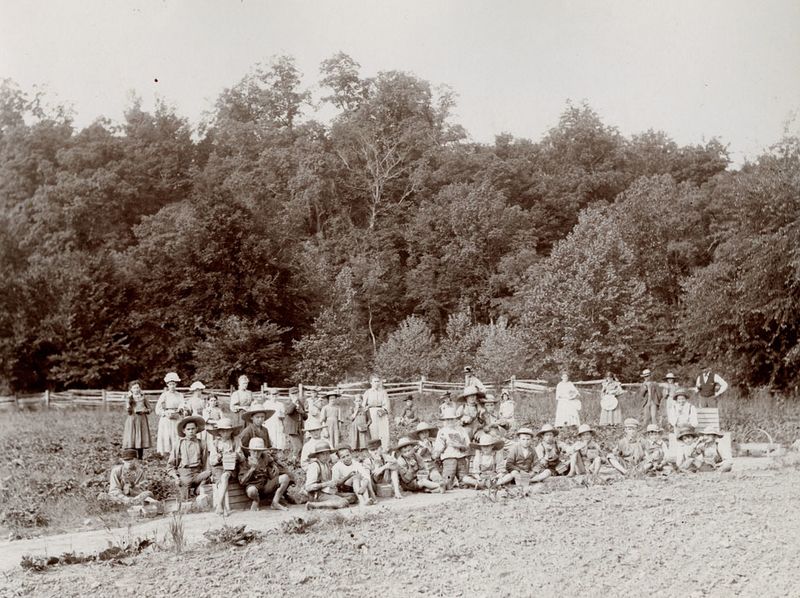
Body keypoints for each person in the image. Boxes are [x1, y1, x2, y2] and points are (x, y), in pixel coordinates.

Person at [238, 437, 291, 511]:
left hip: (266, 485)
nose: (256, 454)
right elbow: (242, 481)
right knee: (251, 490)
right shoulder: (245, 462)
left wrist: (273, 465)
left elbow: (271, 460)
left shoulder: (264, 457)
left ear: (262, 451)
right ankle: (256, 500)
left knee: (285, 478)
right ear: (250, 451)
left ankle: (275, 502)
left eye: (259, 451)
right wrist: (252, 469)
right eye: (254, 451)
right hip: (254, 487)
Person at [168, 415, 211, 500]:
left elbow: (206, 462)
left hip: (198, 474)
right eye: (188, 429)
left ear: (197, 429)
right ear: (184, 431)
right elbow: (170, 465)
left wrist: (205, 478)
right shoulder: (179, 444)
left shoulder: (202, 443)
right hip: (184, 474)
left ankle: (198, 490)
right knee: (185, 500)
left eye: (193, 429)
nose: (191, 431)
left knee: (210, 473)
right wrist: (176, 477)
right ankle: (187, 493)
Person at [497, 428, 551, 493]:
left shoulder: (532, 450)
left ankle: (530, 481)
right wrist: (519, 471)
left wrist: (533, 472)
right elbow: (509, 464)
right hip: (518, 473)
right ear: (519, 440)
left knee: (548, 472)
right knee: (514, 473)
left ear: (531, 440)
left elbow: (537, 463)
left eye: (528, 439)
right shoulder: (515, 449)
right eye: (523, 439)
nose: (526, 441)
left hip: (528, 474)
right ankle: (523, 483)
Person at [206, 417, 241, 516]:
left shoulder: (236, 441)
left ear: (231, 431)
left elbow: (241, 457)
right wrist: (218, 457)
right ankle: (224, 507)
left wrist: (235, 455)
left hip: (231, 467)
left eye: (228, 431)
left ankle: (219, 505)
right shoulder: (215, 443)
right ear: (219, 432)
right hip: (219, 467)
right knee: (222, 479)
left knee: (225, 477)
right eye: (223, 431)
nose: (226, 433)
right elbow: (212, 461)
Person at [304, 441, 352, 510]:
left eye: (327, 454)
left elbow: (329, 482)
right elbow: (308, 487)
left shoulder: (326, 464)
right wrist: (326, 484)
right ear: (317, 455)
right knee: (343, 502)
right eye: (323, 454)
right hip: (318, 495)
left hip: (328, 492)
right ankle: (313, 505)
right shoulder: (314, 466)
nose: (326, 456)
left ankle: (331, 502)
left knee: (353, 497)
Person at [432, 407, 472, 490]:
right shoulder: (442, 431)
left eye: (452, 419)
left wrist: (461, 446)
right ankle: (444, 484)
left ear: (456, 419)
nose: (450, 421)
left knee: (465, 482)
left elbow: (468, 445)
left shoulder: (462, 430)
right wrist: (438, 452)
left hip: (461, 457)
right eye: (447, 420)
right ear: (445, 421)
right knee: (448, 480)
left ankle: (471, 483)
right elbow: (439, 447)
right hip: (449, 458)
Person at [155, 372, 185, 457]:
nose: (172, 386)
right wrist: (164, 413)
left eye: (174, 384)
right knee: (167, 434)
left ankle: (177, 452)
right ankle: (167, 453)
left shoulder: (179, 395)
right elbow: (158, 408)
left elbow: (183, 404)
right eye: (170, 384)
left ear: (176, 384)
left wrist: (180, 408)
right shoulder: (165, 395)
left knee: (177, 433)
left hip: (177, 416)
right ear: (167, 385)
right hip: (167, 417)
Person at [123, 380, 151, 459]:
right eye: (134, 388)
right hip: (132, 419)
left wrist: (144, 411)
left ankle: (140, 457)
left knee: (141, 436)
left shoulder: (143, 397)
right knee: (133, 436)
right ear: (131, 389)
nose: (136, 389)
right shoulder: (129, 398)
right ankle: (132, 456)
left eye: (138, 387)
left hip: (142, 419)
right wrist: (128, 402)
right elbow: (128, 411)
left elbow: (150, 409)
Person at [363, 374, 391, 449]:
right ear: (371, 382)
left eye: (378, 381)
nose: (377, 383)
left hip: (381, 412)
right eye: (375, 381)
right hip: (371, 412)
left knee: (384, 431)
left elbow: (387, 403)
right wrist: (366, 411)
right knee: (373, 430)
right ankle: (375, 447)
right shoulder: (367, 392)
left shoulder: (383, 392)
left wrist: (384, 410)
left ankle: (385, 447)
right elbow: (363, 405)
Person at [283, 391, 307, 462]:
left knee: (301, 448)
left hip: (300, 428)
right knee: (297, 447)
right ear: (289, 394)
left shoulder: (301, 403)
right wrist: (293, 403)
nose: (295, 395)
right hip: (292, 429)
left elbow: (306, 417)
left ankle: (298, 463)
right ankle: (291, 462)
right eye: (293, 394)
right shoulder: (287, 402)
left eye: (296, 393)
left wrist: (302, 412)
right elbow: (288, 412)